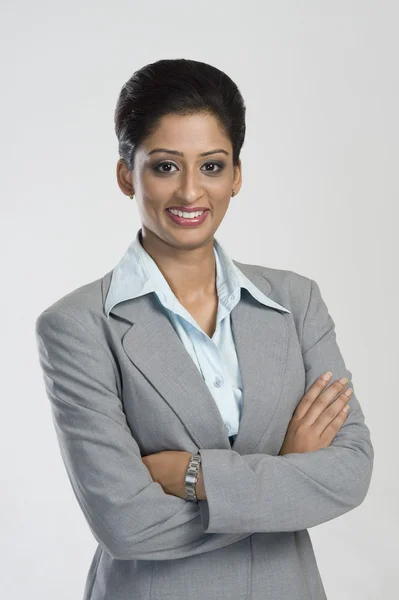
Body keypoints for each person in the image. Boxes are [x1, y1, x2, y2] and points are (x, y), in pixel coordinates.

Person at [35, 58, 374, 600]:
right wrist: (287, 474)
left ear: (237, 175)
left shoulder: (295, 301)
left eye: (212, 166)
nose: (191, 193)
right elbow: (126, 524)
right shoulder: (76, 326)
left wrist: (195, 477)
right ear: (127, 175)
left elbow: (350, 472)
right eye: (166, 166)